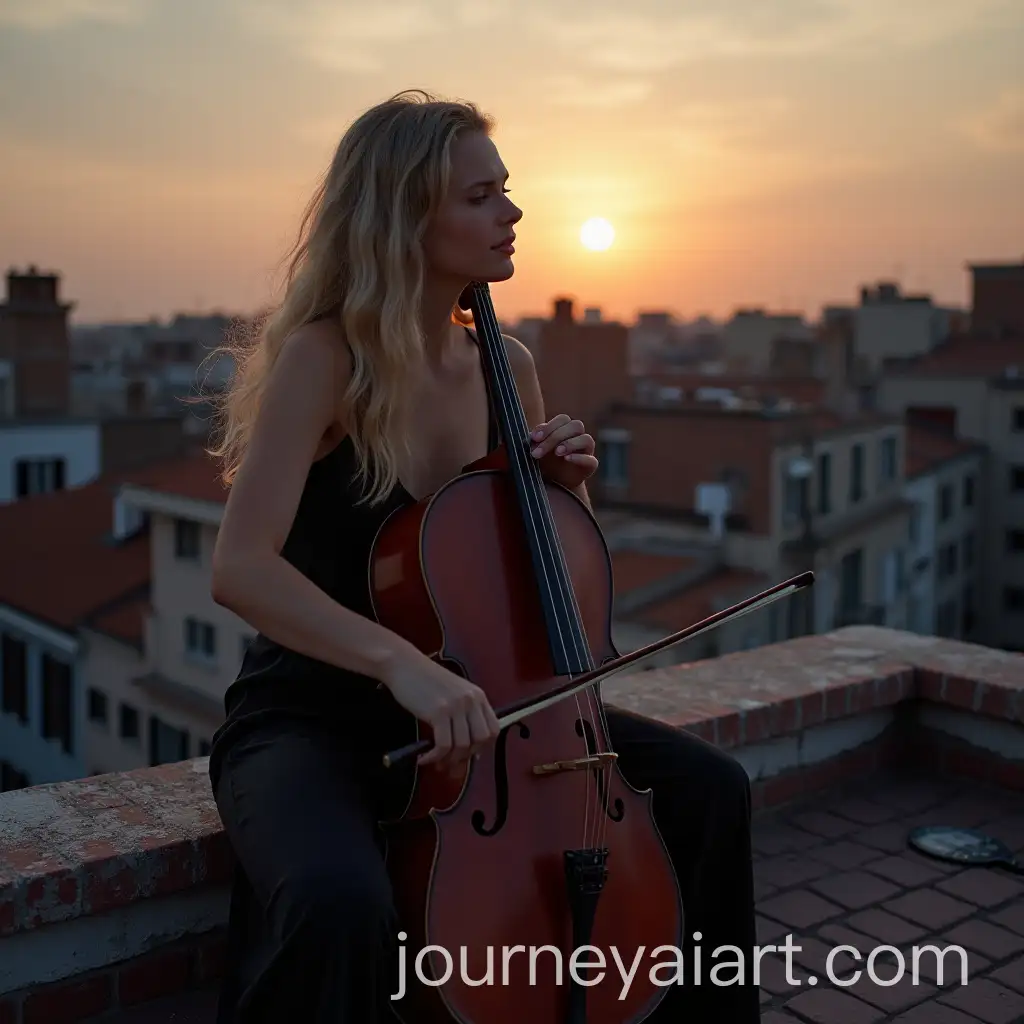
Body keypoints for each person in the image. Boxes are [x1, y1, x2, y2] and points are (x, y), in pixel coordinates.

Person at [205, 89, 760, 1023]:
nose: (512, 212)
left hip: (501, 717)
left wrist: (563, 488)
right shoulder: (324, 360)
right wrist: (400, 670)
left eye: (507, 190)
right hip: (319, 719)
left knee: (712, 793)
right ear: (404, 213)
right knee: (340, 908)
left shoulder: (512, 362)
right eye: (480, 196)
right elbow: (240, 568)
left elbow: (547, 585)